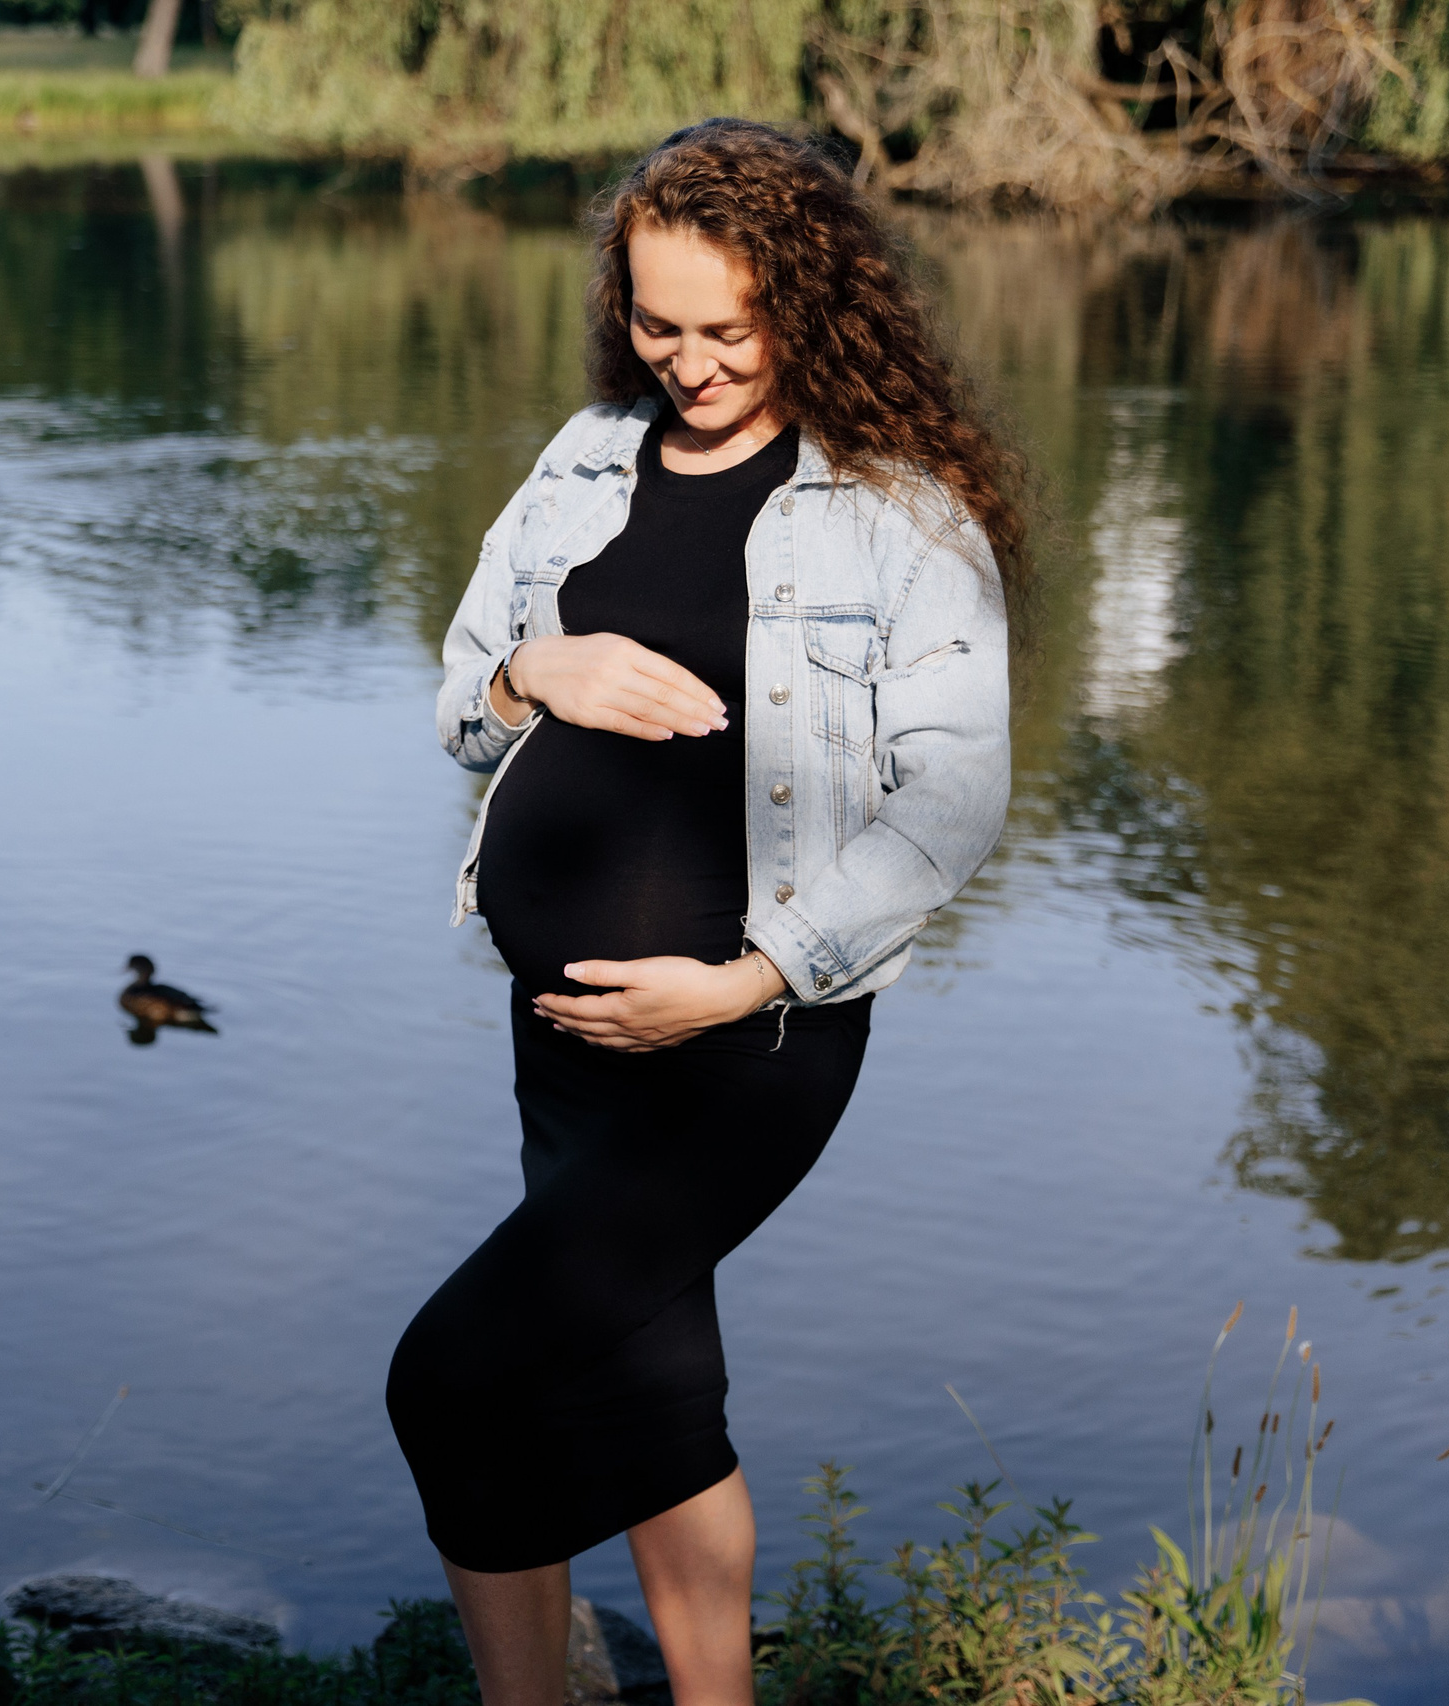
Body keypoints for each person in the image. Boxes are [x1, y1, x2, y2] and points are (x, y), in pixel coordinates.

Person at [384, 119, 1026, 1706]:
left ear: (808, 302)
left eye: (726, 330)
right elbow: (463, 696)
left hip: (747, 1048)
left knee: (454, 1377)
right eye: (659, 326)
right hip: (570, 1037)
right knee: (654, 1392)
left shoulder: (900, 513)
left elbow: (947, 806)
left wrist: (741, 983)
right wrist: (541, 668)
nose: (688, 363)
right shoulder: (586, 459)